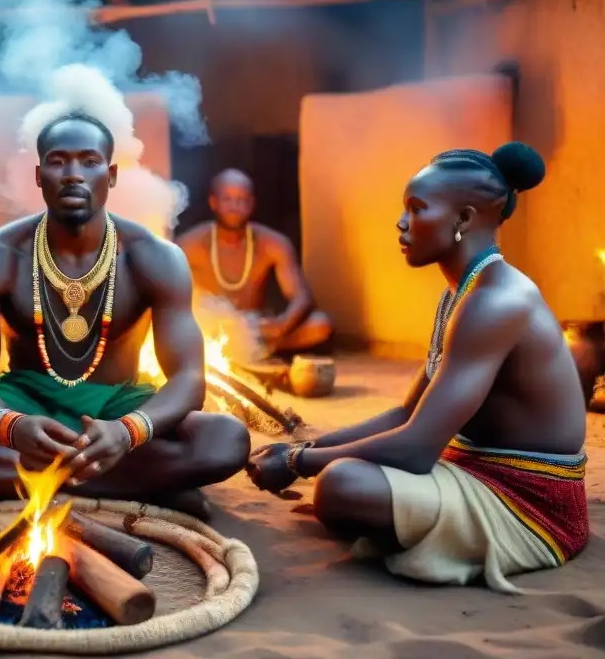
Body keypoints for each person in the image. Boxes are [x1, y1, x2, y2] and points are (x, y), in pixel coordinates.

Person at [247, 142, 589, 593]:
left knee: (341, 485)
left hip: (531, 503)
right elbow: (407, 414)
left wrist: (299, 461)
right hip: (474, 466)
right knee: (341, 475)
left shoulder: (495, 301)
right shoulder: (462, 292)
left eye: (417, 209)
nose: (402, 223)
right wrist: (307, 446)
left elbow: (416, 448)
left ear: (464, 220)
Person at [0, 112, 250, 519]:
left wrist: (126, 431)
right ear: (39, 175)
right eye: (59, 162)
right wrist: (10, 425)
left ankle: (1, 484)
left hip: (117, 404)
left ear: (111, 175)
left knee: (226, 440)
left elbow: (188, 378)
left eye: (89, 161)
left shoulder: (154, 257)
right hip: (24, 402)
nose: (74, 174)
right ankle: (140, 486)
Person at [176, 169, 332, 356]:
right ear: (213, 203)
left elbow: (300, 296)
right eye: (227, 199)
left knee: (321, 324)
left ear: (251, 204)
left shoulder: (272, 243)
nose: (235, 206)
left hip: (255, 330)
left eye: (242, 200)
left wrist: (282, 324)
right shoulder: (190, 244)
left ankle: (256, 351)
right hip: (209, 330)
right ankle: (239, 354)